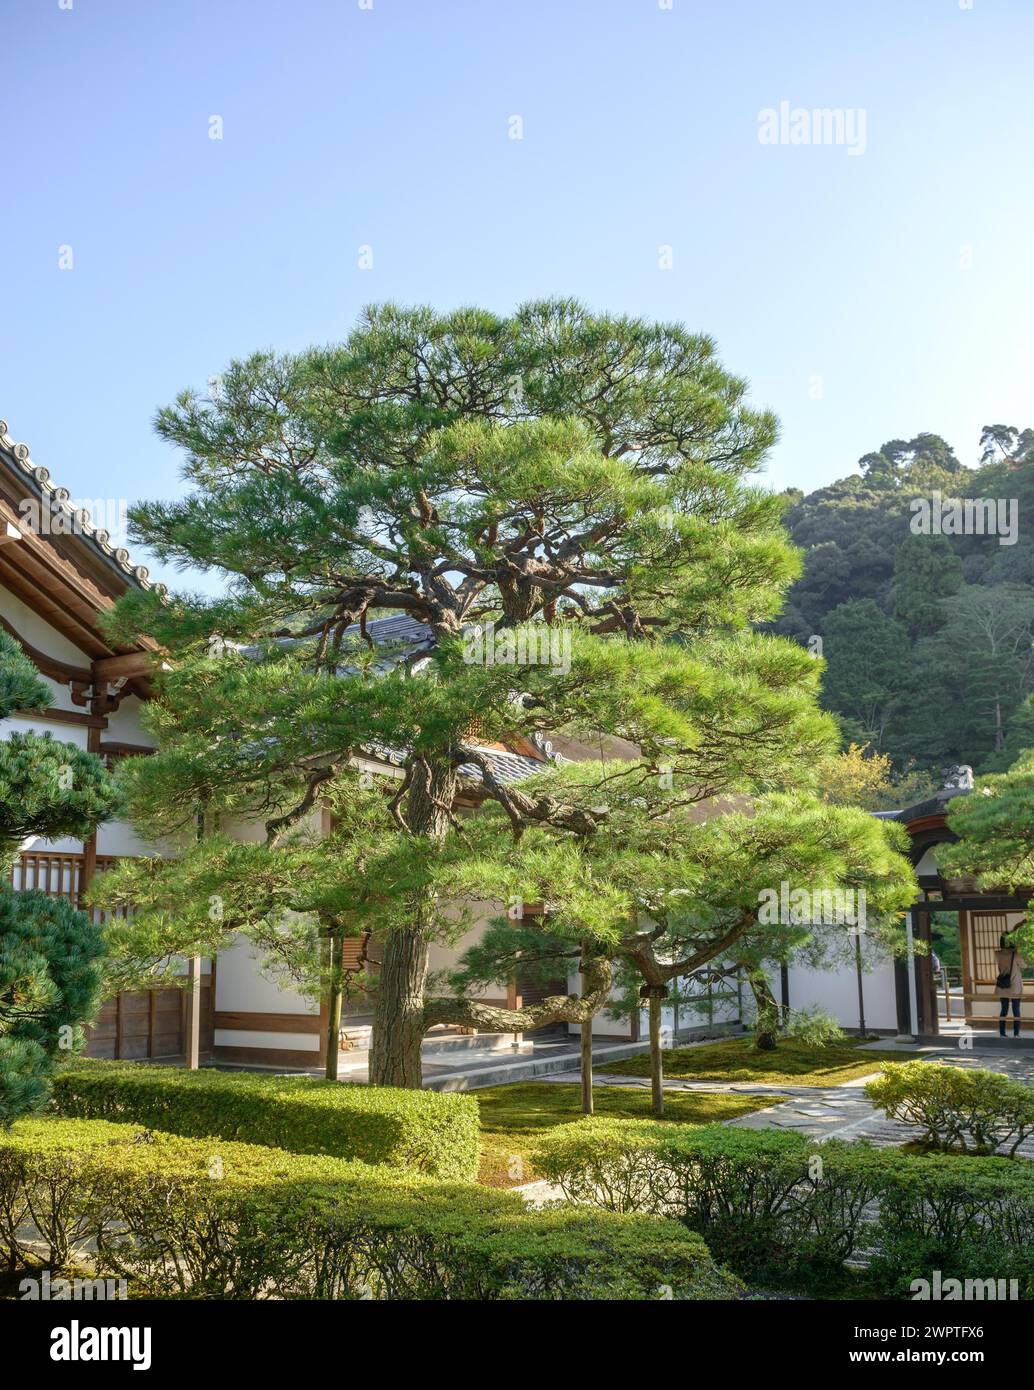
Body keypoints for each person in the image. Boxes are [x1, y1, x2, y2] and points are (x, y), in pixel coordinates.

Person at [994, 934, 1026, 1038]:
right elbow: (1024, 965)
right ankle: (1016, 1034)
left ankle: (1002, 1033)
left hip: (1003, 985)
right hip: (1015, 986)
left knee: (1004, 1010)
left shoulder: (997, 954)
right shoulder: (1015, 955)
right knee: (1016, 1010)